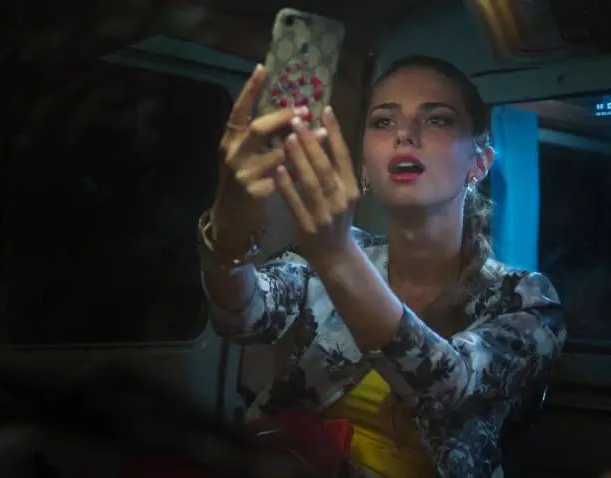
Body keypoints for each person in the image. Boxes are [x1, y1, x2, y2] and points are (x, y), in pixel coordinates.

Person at [197, 55, 567, 477]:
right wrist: (228, 229)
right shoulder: (328, 255)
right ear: (365, 168)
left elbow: (449, 389)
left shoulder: (525, 298)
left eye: (438, 120)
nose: (404, 135)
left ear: (478, 164)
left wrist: (339, 257)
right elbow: (242, 318)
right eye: (383, 122)